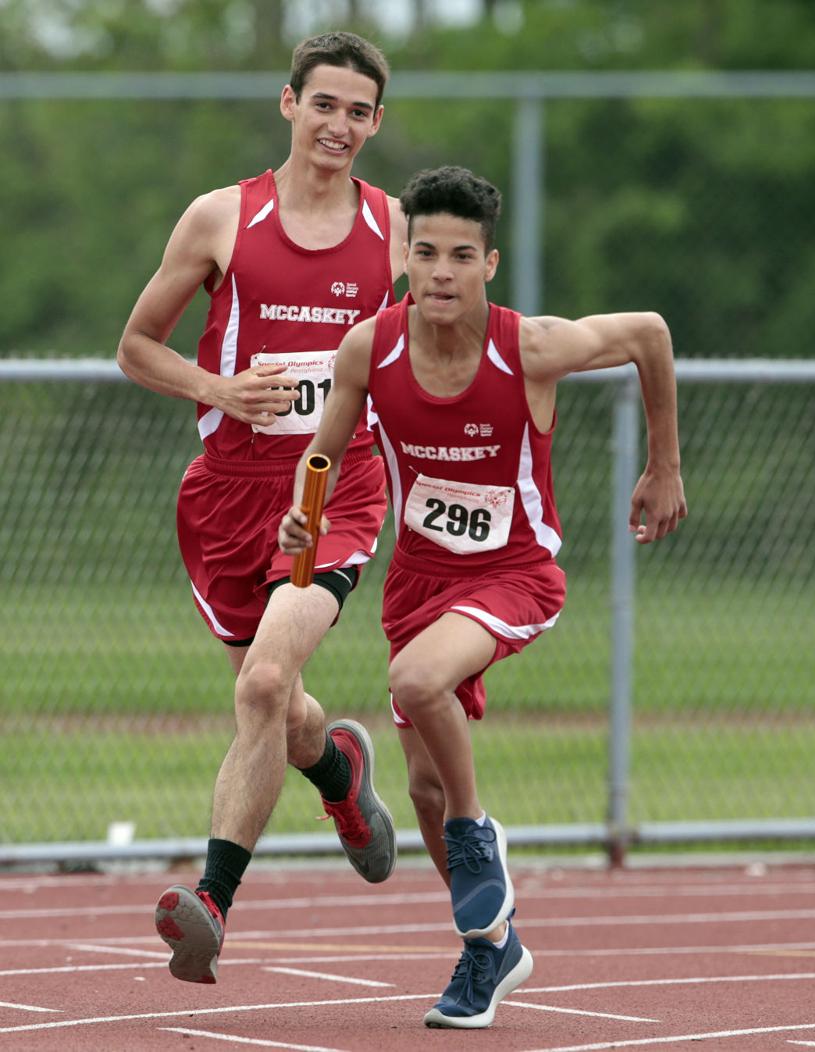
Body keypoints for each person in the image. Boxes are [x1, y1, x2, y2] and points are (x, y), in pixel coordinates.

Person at [279, 165, 687, 1027]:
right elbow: (324, 451)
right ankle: (489, 952)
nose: (439, 273)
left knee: (417, 684)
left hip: (515, 574)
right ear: (403, 256)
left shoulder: (529, 346)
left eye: (460, 256)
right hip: (419, 583)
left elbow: (650, 331)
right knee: (421, 787)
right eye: (424, 252)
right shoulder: (368, 348)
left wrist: (664, 464)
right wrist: (303, 521)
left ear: (489, 265)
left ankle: (477, 834)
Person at [116, 31, 406, 985]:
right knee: (279, 707)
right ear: (289, 104)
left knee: (259, 686)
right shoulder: (221, 219)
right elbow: (137, 347)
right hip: (226, 499)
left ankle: (210, 902)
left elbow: (453, 339)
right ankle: (340, 773)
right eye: (324, 104)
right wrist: (221, 390)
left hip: (335, 491)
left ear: (374, 123)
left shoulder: (396, 230)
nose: (340, 125)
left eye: (359, 111)